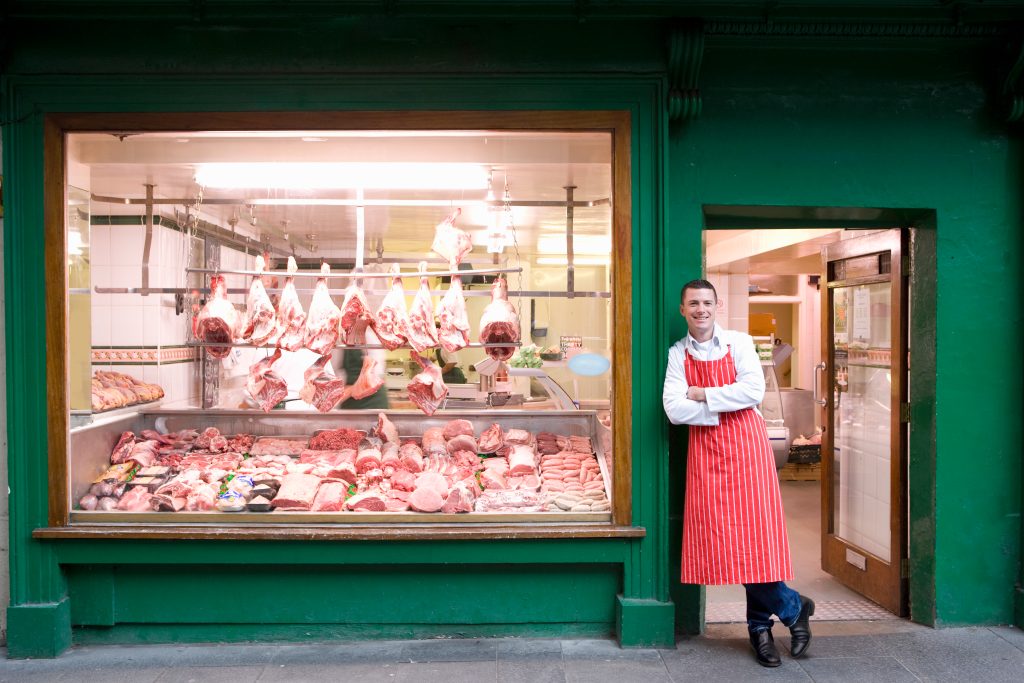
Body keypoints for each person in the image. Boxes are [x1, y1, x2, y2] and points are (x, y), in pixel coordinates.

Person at [663, 278, 814, 668]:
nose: (701, 310)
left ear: (717, 306)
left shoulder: (740, 343)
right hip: (708, 457)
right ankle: (793, 607)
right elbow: (674, 410)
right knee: (729, 543)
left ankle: (759, 629)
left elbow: (752, 393)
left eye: (707, 303)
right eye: (693, 303)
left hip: (748, 452)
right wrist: (720, 403)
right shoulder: (677, 354)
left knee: (755, 542)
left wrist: (702, 395)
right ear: (683, 309)